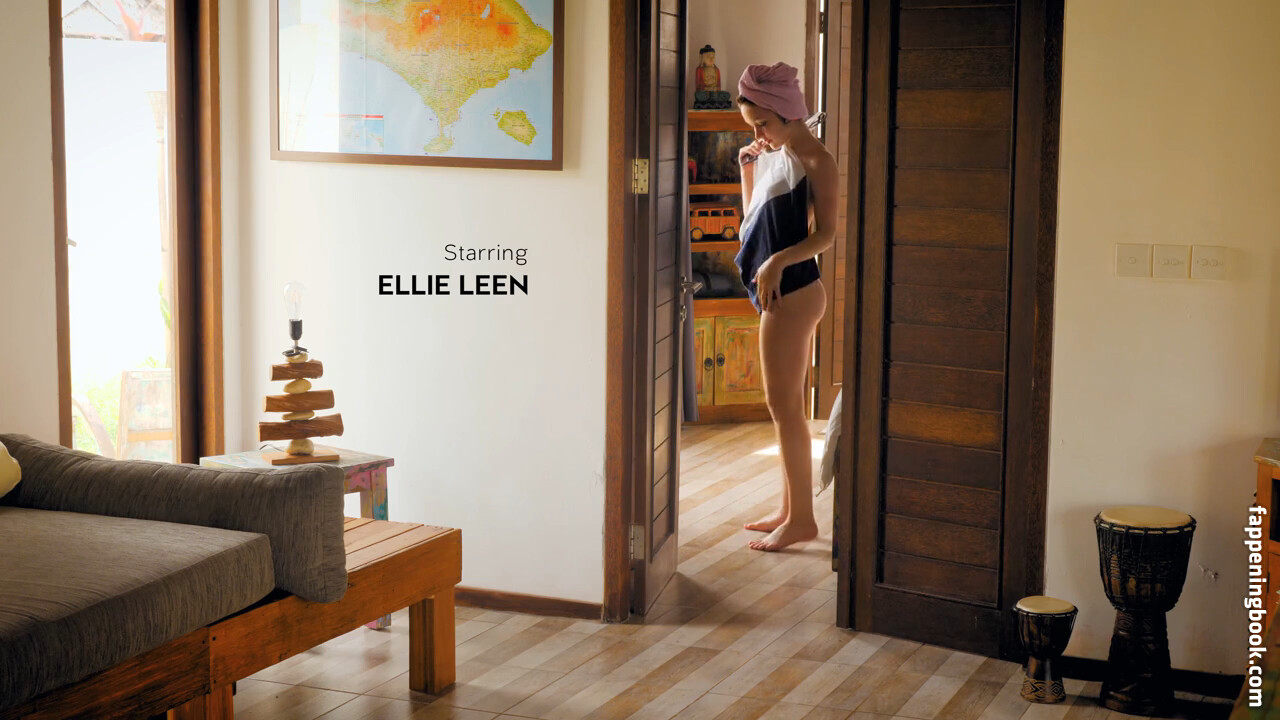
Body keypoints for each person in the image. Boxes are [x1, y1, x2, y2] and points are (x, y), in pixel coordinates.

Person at [733, 62, 838, 552]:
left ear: (788, 112)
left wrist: (777, 262)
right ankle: (789, 510)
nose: (759, 134)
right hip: (782, 292)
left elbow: (826, 235)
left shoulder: (816, 159)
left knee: (786, 408)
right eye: (752, 125)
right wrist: (746, 169)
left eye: (763, 123)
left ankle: (802, 520)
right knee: (784, 408)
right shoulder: (779, 157)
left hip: (794, 293)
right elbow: (753, 224)